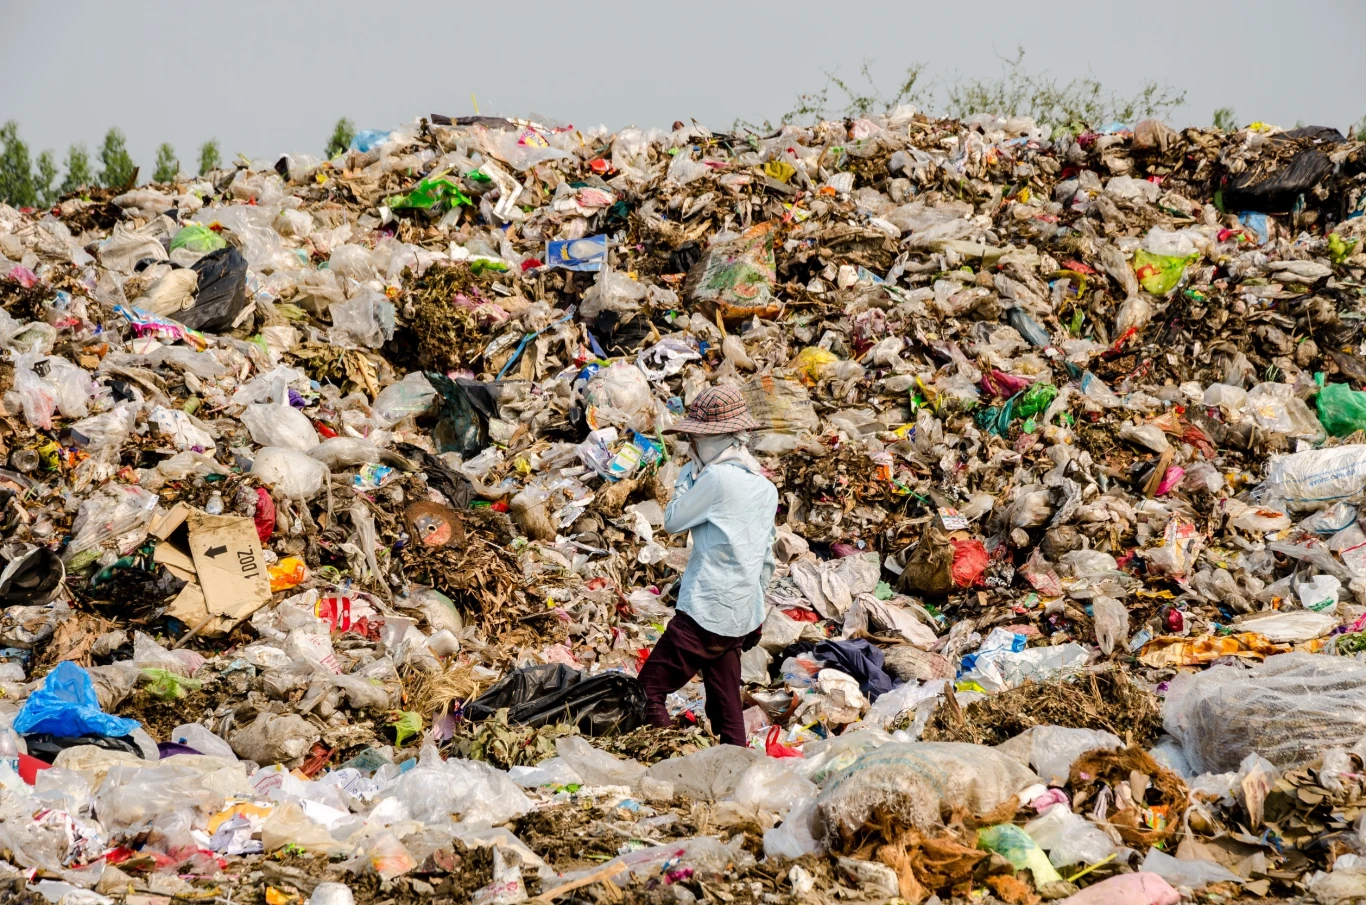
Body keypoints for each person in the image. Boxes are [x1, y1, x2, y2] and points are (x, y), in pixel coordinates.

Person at [638, 385, 778, 746]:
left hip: (704, 611)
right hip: (738, 618)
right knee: (726, 709)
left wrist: (687, 477)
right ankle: (736, 768)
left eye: (695, 440)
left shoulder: (715, 479)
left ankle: (664, 753)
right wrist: (756, 616)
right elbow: (766, 558)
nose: (692, 447)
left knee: (648, 692)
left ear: (715, 440)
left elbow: (671, 521)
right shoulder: (765, 488)